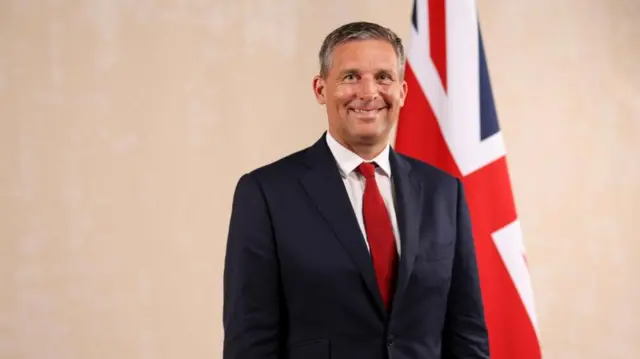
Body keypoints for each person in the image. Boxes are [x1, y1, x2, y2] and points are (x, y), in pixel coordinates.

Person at [222, 21, 490, 359]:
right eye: (351, 77)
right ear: (321, 89)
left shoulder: (444, 192)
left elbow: (466, 332)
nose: (368, 93)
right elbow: (250, 339)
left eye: (383, 77)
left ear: (403, 91)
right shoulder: (265, 193)